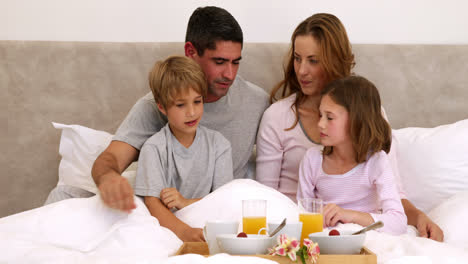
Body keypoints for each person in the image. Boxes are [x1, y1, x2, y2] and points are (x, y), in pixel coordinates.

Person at [256, 13, 444, 241]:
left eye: (313, 60)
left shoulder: (370, 115)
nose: (302, 70)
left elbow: (394, 194)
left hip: (365, 230)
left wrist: (420, 217)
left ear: (335, 61)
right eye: (297, 58)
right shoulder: (277, 118)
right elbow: (264, 199)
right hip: (304, 227)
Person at [90, 6, 269, 213]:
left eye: (235, 62)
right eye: (219, 62)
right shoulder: (154, 106)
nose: (229, 74)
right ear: (190, 52)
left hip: (225, 216)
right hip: (166, 216)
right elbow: (110, 159)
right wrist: (109, 178)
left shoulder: (258, 102)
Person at [135, 55, 233, 242]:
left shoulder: (219, 145)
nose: (192, 112)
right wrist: (185, 232)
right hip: (169, 229)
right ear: (162, 108)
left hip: (209, 225)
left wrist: (185, 203)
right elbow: (152, 204)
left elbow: (224, 201)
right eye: (181, 105)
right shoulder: (154, 148)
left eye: (197, 101)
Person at [297, 76, 407, 235]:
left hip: (367, 239)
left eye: (329, 117)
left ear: (357, 120)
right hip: (327, 239)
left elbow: (398, 223)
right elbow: (303, 216)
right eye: (320, 115)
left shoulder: (376, 162)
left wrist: (349, 215)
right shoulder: (312, 160)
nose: (320, 124)